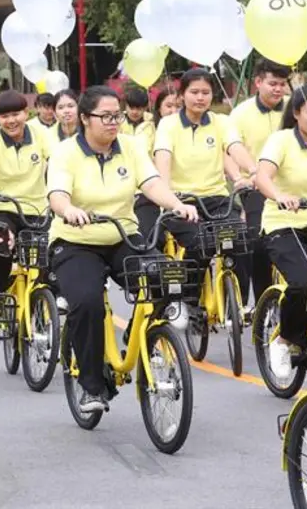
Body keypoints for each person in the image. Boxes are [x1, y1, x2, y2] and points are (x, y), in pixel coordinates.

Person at [47, 86, 198, 412]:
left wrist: (175, 204)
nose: (113, 122)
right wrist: (69, 210)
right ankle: (91, 386)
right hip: (76, 241)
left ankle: (138, 334)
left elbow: (151, 183)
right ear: (85, 118)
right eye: (105, 116)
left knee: (166, 276)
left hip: (123, 236)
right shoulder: (65, 152)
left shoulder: (130, 146)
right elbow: (57, 194)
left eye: (117, 116)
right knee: (87, 303)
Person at [255, 83, 307, 378]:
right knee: (304, 282)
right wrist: (279, 195)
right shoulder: (281, 141)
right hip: (284, 223)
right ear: (296, 113)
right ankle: (284, 339)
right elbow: (262, 177)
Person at [153, 68, 257, 305]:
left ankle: (239, 306)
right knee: (202, 242)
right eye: (194, 92)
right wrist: (168, 198)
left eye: (206, 92)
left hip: (217, 200)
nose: (200, 98)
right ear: (182, 95)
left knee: (241, 239)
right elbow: (163, 158)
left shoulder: (222, 122)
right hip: (180, 202)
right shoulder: (168, 125)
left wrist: (253, 170)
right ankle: (190, 302)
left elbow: (234, 147)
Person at [230, 58, 291, 308]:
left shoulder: (294, 109)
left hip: (290, 186)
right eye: (272, 83)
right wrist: (240, 177)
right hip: (255, 186)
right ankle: (263, 305)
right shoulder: (240, 113)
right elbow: (229, 149)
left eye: (282, 84)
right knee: (257, 243)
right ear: (258, 82)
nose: (278, 89)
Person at [0, 90, 51, 292]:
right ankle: (0, 291)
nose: (11, 121)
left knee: (50, 255)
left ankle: (44, 298)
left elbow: (58, 161)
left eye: (15, 114)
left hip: (37, 209)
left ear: (26, 113)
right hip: (3, 208)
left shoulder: (41, 134)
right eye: (4, 116)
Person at [134, 87, 181, 245]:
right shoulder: (146, 129)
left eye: (178, 106)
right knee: (150, 235)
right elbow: (140, 158)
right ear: (159, 108)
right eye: (169, 106)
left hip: (182, 191)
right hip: (150, 191)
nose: (174, 111)